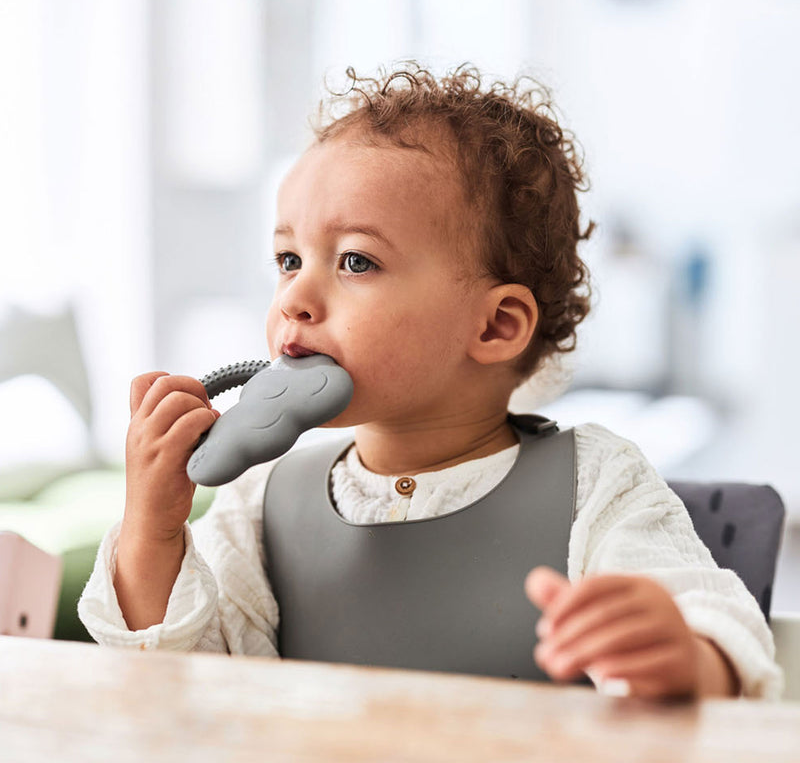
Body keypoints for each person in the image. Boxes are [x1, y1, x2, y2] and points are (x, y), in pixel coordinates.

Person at [78, 64, 782, 699]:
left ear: (496, 326)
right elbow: (180, 686)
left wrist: (684, 657)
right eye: (289, 260)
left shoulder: (595, 483)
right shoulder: (261, 502)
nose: (295, 297)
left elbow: (715, 623)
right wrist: (153, 531)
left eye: (355, 262)